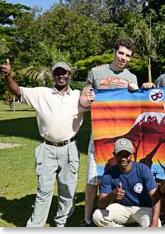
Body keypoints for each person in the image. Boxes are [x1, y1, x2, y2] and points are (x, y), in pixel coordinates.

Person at [0, 59, 95, 227]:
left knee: (67, 191)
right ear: (53, 75)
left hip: (69, 149)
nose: (61, 76)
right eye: (57, 73)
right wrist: (8, 76)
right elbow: (17, 91)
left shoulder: (77, 96)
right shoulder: (41, 93)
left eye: (64, 72)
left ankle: (61, 223)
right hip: (47, 148)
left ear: (69, 75)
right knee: (44, 190)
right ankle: (35, 226)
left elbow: (102, 103)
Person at [81, 38, 139, 227]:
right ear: (114, 51)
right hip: (99, 135)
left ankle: (113, 214)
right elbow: (84, 98)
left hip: (122, 137)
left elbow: (136, 105)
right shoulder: (96, 72)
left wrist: (136, 92)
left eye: (128, 56)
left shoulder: (131, 77)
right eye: (121, 53)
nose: (123, 58)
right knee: (92, 179)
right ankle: (87, 219)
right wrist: (87, 97)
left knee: (119, 176)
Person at [92, 137, 161, 227]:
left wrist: (154, 221)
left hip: (143, 209)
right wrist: (112, 194)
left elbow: (155, 197)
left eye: (126, 155)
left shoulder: (143, 169)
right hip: (122, 208)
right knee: (97, 216)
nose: (123, 158)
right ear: (114, 155)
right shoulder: (109, 173)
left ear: (132, 154)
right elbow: (101, 204)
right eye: (120, 155)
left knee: (157, 226)